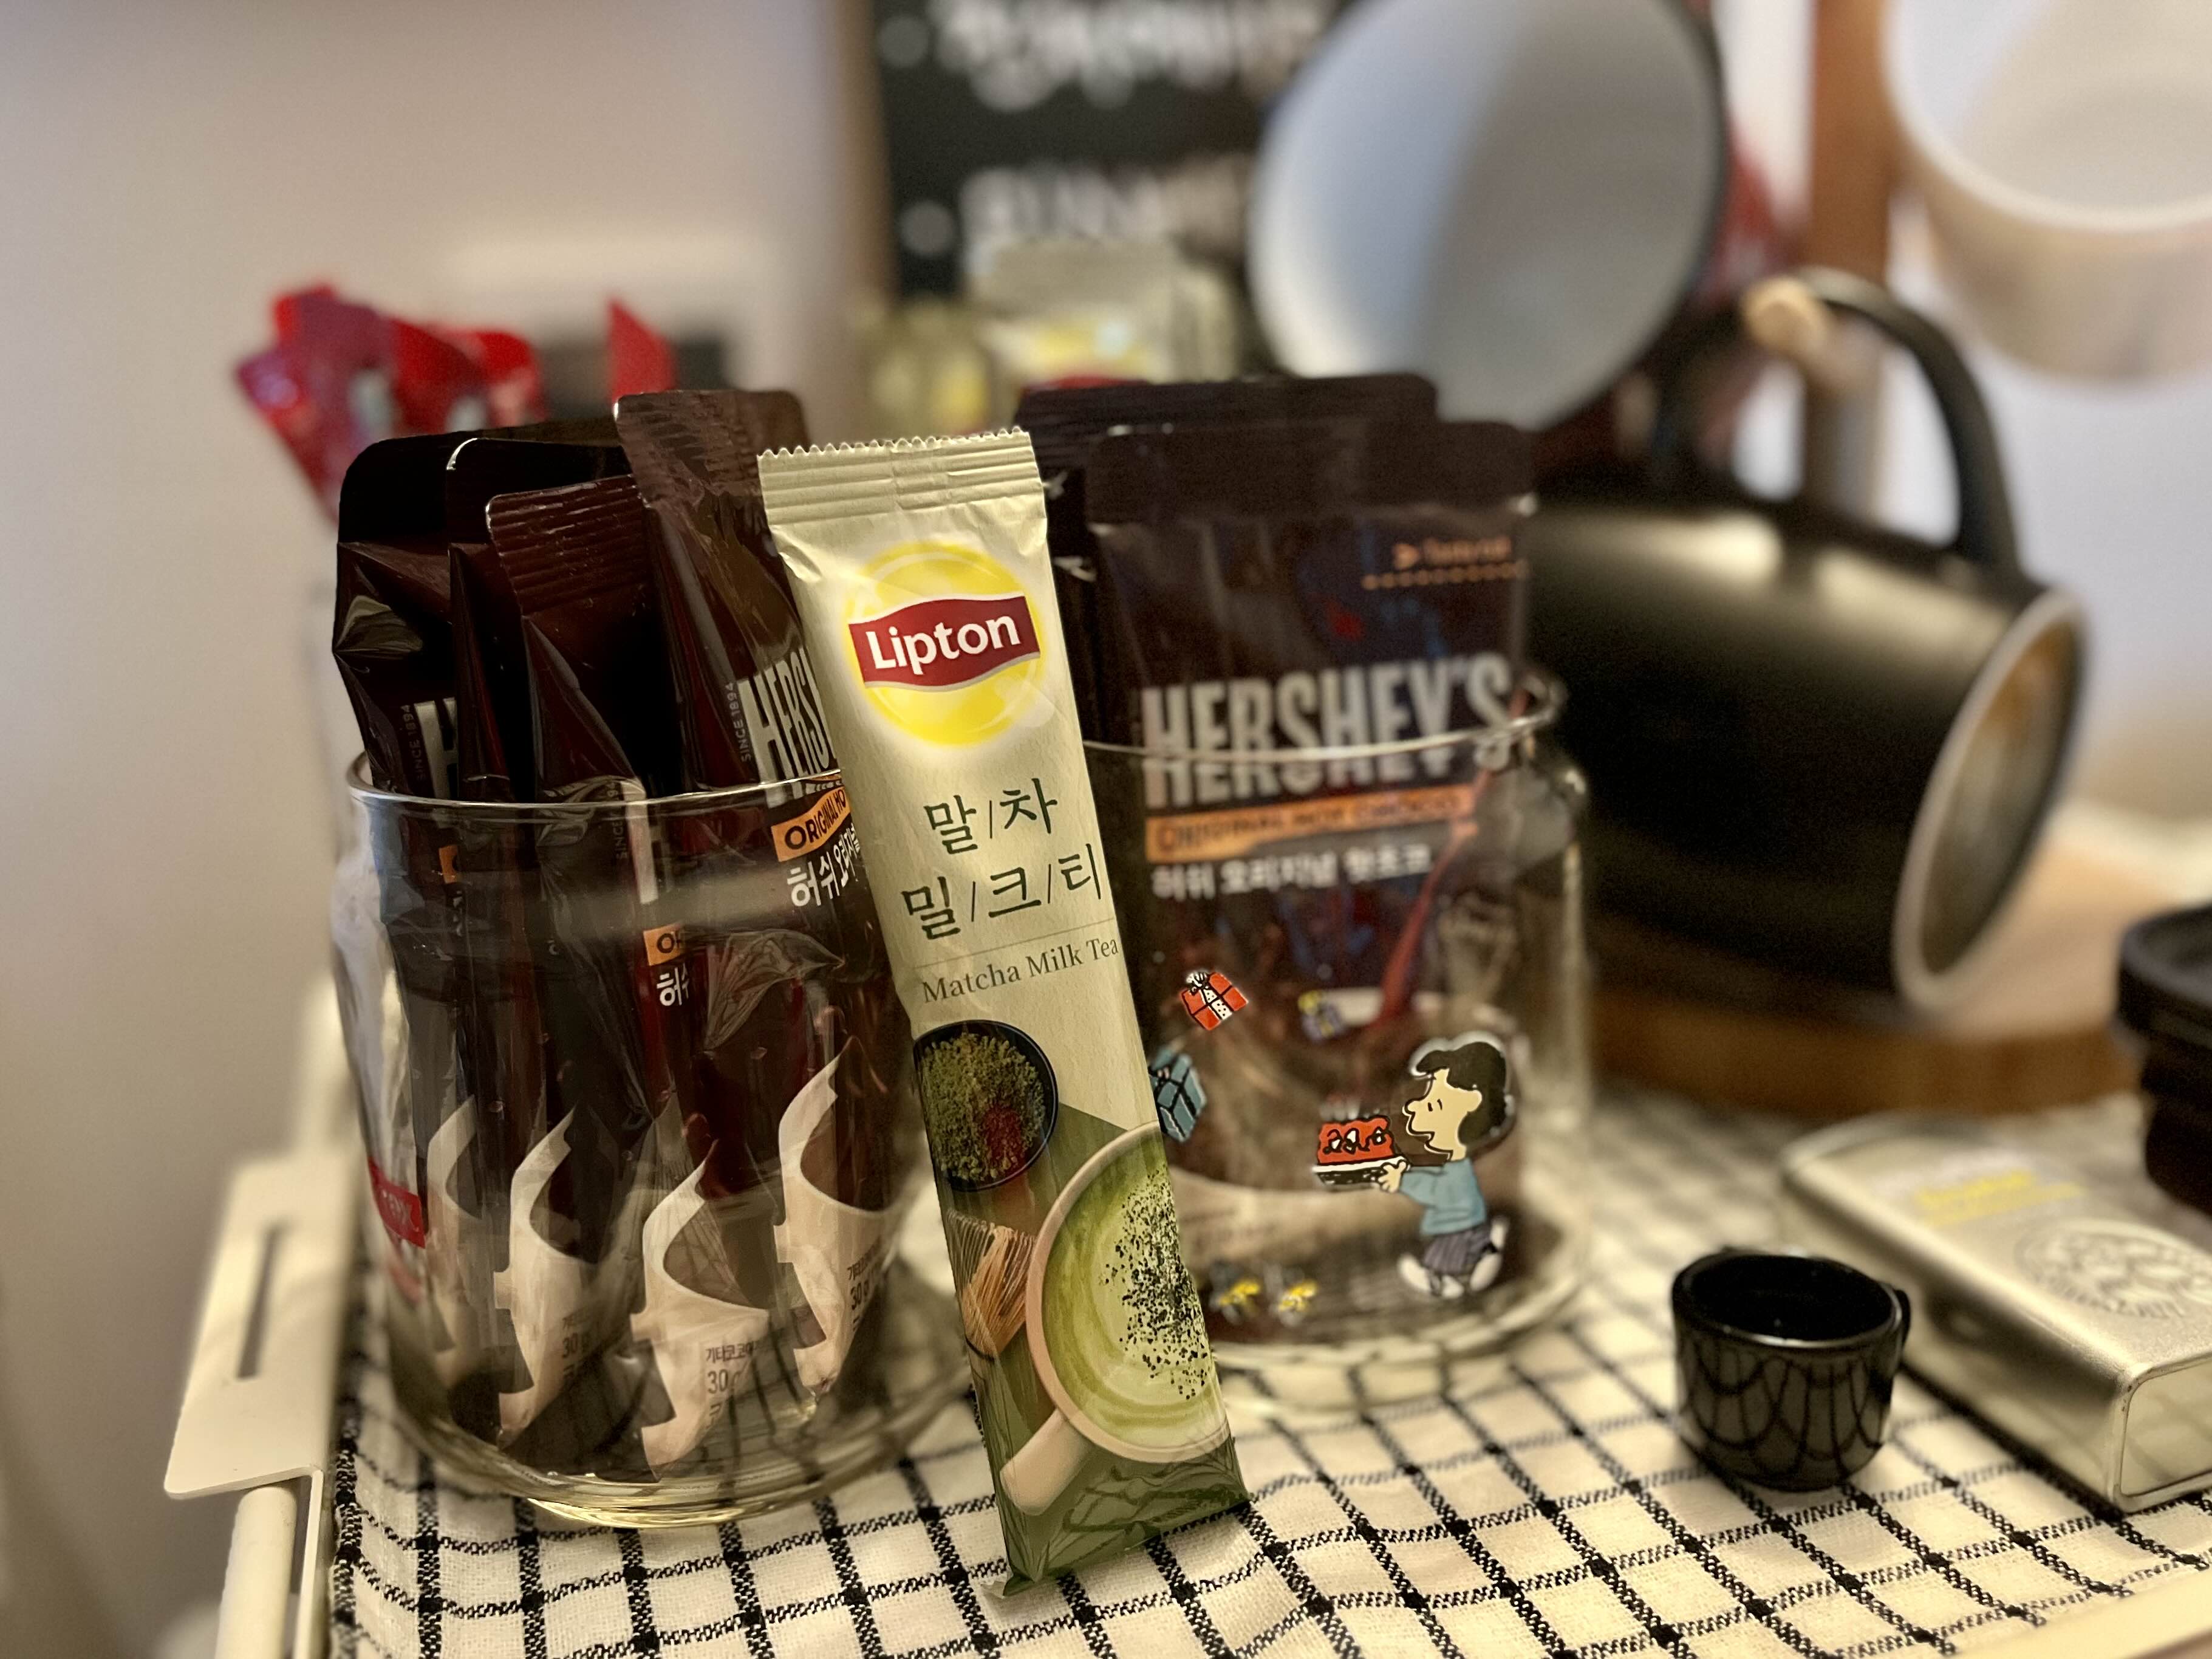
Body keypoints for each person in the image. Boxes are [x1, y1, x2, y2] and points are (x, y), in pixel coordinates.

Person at [1376, 1034, 1517, 1299]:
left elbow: (1435, 1189)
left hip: (1458, 1229)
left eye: (1433, 1104)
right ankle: (1459, 1273)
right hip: (1459, 1226)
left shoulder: (1456, 1167)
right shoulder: (1452, 1162)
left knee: (1449, 1255)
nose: (1414, 1107)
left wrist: (1402, 1180)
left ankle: (1449, 1279)